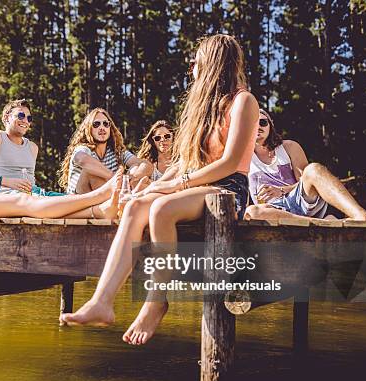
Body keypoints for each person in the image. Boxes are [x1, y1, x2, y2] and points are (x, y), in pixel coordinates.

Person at [60, 34, 259, 346]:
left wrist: (174, 187)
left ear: (213, 64)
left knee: (161, 209)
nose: (192, 67)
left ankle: (156, 300)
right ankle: (102, 301)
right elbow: (182, 163)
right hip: (197, 186)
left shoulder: (243, 101)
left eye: (197, 61)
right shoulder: (201, 109)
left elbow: (230, 162)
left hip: (229, 189)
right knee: (138, 207)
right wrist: (152, 188)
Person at [0, 81, 120, 219]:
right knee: (21, 202)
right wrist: (4, 181)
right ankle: (97, 196)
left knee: (26, 204)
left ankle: (98, 212)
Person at [244, 109, 366, 221]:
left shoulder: (289, 147)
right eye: (253, 123)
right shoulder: (243, 157)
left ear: (270, 126)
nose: (258, 126)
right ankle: (324, 223)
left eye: (263, 122)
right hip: (272, 210)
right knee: (252, 212)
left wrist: (281, 190)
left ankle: (361, 216)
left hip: (299, 201)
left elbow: (306, 182)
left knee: (313, 169)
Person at [58, 108, 153, 194]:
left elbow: (146, 165)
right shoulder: (84, 148)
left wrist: (132, 177)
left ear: (110, 128)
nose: (102, 127)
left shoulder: (117, 152)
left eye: (106, 124)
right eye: (96, 124)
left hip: (106, 197)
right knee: (90, 172)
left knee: (137, 169)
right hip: (78, 201)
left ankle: (128, 199)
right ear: (88, 129)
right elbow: (81, 159)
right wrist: (114, 178)